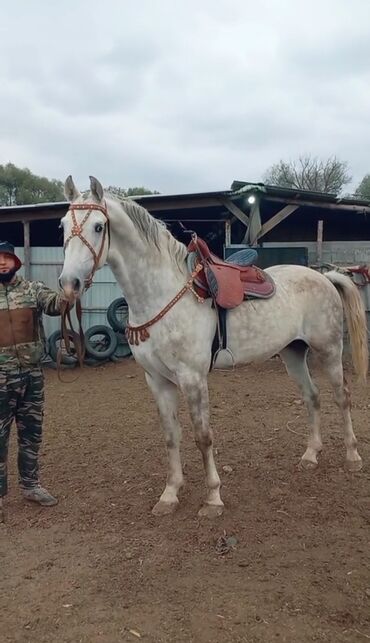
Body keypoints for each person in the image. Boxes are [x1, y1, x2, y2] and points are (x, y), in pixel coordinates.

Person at [0, 240, 66, 521]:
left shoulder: (32, 289)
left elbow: (55, 305)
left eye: (7, 258)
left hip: (32, 377)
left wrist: (70, 293)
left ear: (17, 262)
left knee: (31, 436)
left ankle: (30, 485)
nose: (2, 262)